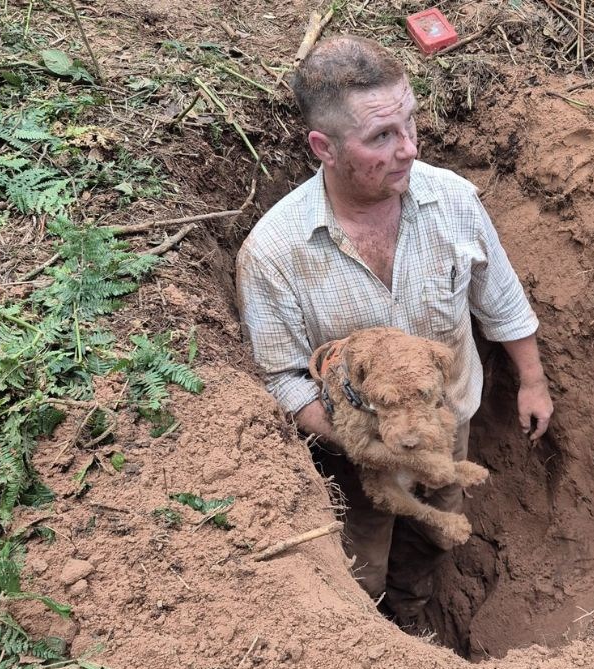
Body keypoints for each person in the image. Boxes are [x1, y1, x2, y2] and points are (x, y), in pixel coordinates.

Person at [235, 35, 553, 629]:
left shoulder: (453, 201)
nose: (408, 148)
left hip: (448, 424)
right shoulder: (275, 254)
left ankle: (415, 609)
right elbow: (279, 376)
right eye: (382, 136)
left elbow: (500, 298)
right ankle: (378, 641)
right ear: (323, 147)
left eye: (409, 123)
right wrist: (363, 441)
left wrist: (532, 381)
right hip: (356, 454)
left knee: (438, 529)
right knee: (364, 556)